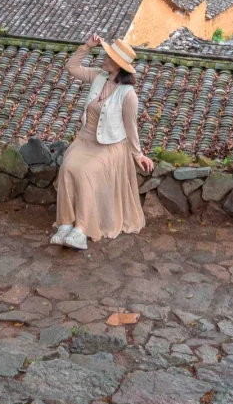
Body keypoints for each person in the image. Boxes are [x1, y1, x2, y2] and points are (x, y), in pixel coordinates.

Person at [51, 33, 155, 250]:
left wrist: (138, 154)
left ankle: (82, 229)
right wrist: (87, 46)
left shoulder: (128, 95)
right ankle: (65, 224)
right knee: (68, 168)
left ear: (117, 65)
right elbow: (71, 67)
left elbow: (130, 127)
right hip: (85, 139)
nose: (104, 59)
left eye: (108, 57)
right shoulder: (98, 76)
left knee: (86, 172)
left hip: (110, 146)